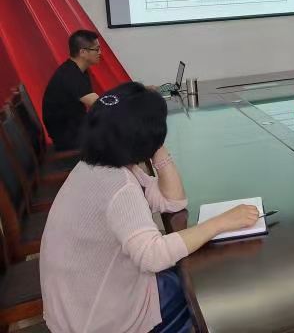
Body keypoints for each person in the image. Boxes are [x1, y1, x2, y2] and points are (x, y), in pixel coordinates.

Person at [40, 82, 260, 333]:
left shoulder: (98, 164)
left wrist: (156, 148)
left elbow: (173, 201)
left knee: (189, 267)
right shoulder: (119, 186)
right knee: (205, 289)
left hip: (79, 301)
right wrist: (220, 223)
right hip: (95, 318)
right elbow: (152, 256)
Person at [42, 30, 102, 151]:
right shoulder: (71, 75)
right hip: (69, 138)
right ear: (83, 52)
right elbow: (99, 103)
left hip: (76, 128)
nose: (100, 52)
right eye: (97, 49)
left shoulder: (78, 70)